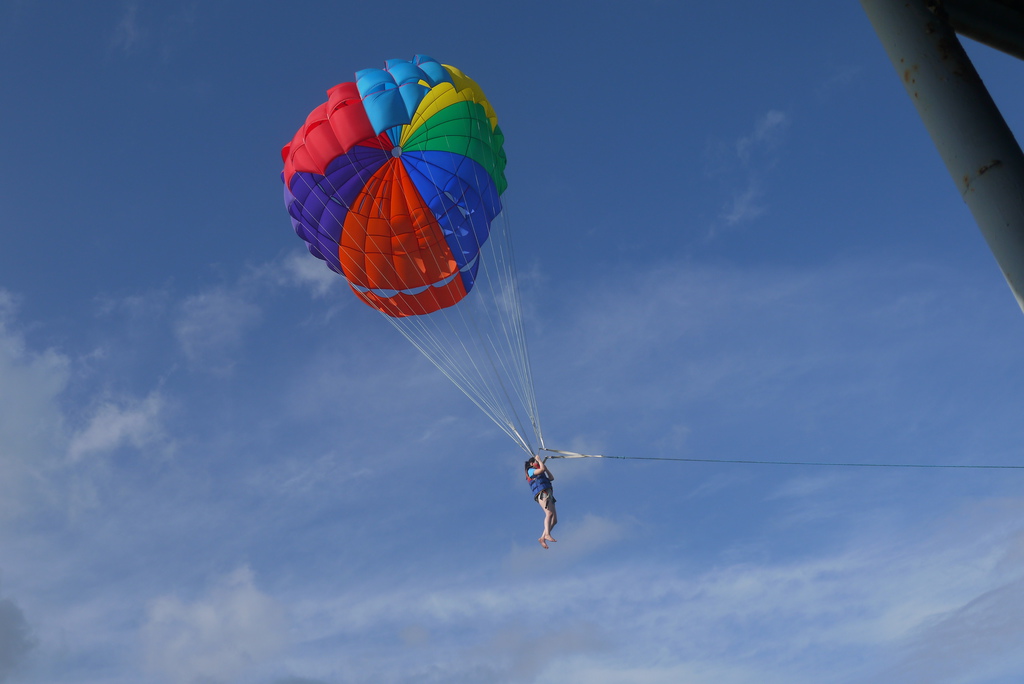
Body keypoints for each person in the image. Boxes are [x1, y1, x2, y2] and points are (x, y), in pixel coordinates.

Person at [525, 456, 558, 549]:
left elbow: (551, 478)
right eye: (536, 462)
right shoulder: (530, 471)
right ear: (531, 463)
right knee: (549, 513)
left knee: (554, 520)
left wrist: (546, 469)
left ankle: (542, 538)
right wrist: (539, 460)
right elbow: (541, 469)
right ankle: (547, 534)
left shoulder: (542, 472)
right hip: (542, 493)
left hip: (548, 494)